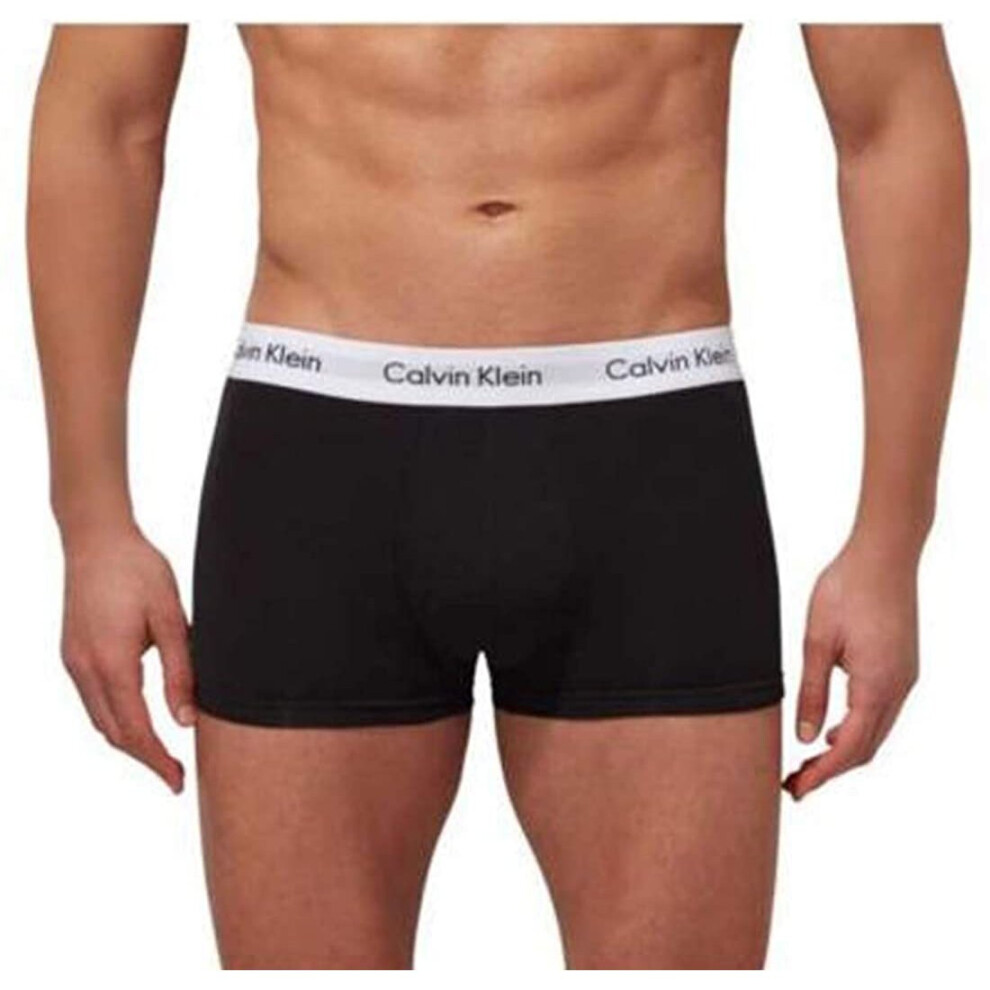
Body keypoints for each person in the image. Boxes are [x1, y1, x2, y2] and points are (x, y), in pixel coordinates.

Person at [27, 25, 968, 970]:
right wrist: (91, 520)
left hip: (650, 454)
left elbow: (891, 120)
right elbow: (106, 120)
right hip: (321, 456)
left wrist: (892, 539)